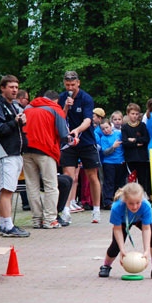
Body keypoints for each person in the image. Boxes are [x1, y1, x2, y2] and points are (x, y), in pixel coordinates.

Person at [0, 75, 30, 238]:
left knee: (10, 189)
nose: (14, 90)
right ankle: (6, 226)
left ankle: (6, 223)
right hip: (5, 153)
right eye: (11, 87)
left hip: (15, 152)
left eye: (16, 87)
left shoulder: (12, 106)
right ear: (2, 88)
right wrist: (15, 122)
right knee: (6, 190)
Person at [58, 71, 103, 223]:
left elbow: (88, 120)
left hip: (86, 140)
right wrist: (65, 107)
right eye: (67, 85)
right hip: (69, 141)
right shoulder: (63, 97)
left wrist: (77, 130)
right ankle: (66, 209)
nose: (70, 87)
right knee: (68, 176)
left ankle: (96, 210)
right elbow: (60, 118)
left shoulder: (86, 98)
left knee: (92, 176)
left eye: (73, 84)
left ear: (78, 83)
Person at [97, 183, 152, 280]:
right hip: (123, 221)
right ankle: (106, 266)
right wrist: (122, 250)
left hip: (139, 219)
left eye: (138, 202)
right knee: (116, 245)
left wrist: (146, 251)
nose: (135, 206)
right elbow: (117, 229)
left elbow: (146, 229)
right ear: (125, 201)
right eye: (131, 203)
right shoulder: (116, 207)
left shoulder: (146, 206)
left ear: (142, 199)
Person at [22, 89, 68, 229]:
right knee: (51, 186)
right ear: (55, 100)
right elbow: (63, 133)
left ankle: (37, 219)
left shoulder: (28, 108)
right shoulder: (55, 109)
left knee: (32, 185)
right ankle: (50, 219)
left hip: (26, 149)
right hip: (45, 150)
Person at [120, 103, 151, 202]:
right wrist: (136, 143)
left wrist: (134, 140)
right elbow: (125, 142)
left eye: (137, 114)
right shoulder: (125, 127)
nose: (135, 116)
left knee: (142, 178)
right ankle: (131, 197)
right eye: (133, 113)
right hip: (130, 157)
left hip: (142, 157)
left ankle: (143, 196)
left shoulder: (142, 126)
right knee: (131, 178)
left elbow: (145, 139)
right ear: (128, 114)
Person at [98, 118, 126, 210]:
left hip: (120, 161)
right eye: (103, 129)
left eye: (107, 127)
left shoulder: (118, 134)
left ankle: (120, 200)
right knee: (109, 182)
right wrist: (113, 147)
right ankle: (107, 202)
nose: (106, 130)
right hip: (109, 163)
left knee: (120, 182)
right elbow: (105, 152)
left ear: (111, 126)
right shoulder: (103, 138)